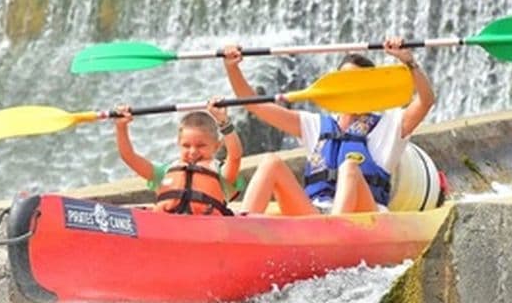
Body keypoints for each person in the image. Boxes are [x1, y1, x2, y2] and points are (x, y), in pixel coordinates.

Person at [222, 38, 435, 215]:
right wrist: (232, 68)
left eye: (355, 83)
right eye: (342, 81)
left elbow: (425, 101)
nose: (347, 89)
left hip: (364, 218)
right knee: (270, 163)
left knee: (349, 167)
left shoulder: (388, 125)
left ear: (368, 88)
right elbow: (255, 105)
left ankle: (334, 235)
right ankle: (242, 230)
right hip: (316, 214)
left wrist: (409, 62)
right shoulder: (316, 125)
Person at [114, 98, 244, 215]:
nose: (193, 151)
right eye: (186, 146)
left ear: (217, 146)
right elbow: (129, 157)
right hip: (169, 232)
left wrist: (224, 122)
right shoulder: (165, 171)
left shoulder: (221, 173)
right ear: (178, 144)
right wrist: (121, 127)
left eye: (201, 146)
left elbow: (235, 156)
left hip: (209, 233)